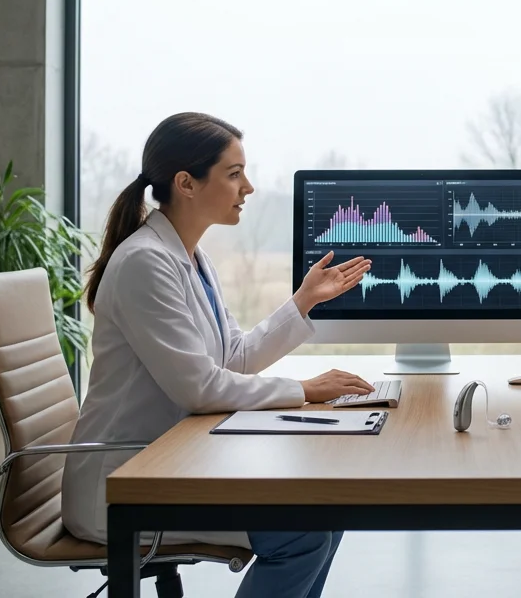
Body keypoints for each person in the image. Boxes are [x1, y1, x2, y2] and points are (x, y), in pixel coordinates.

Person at [62, 112, 375, 598]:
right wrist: (306, 390)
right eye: (234, 174)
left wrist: (303, 300)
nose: (247, 187)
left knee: (323, 517)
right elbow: (200, 388)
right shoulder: (146, 262)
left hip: (171, 463)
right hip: (126, 483)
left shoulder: (190, 256)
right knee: (304, 534)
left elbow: (232, 358)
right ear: (186, 183)